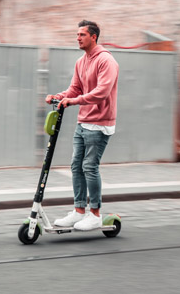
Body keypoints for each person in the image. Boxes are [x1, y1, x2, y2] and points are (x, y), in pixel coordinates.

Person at [46, 20, 119, 231]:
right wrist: (58, 96)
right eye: (77, 34)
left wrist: (74, 101)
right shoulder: (81, 62)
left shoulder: (106, 61)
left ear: (93, 37)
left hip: (100, 122)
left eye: (82, 34)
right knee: (76, 166)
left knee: (89, 166)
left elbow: (102, 92)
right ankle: (79, 211)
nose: (78, 37)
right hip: (83, 121)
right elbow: (75, 89)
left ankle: (95, 213)